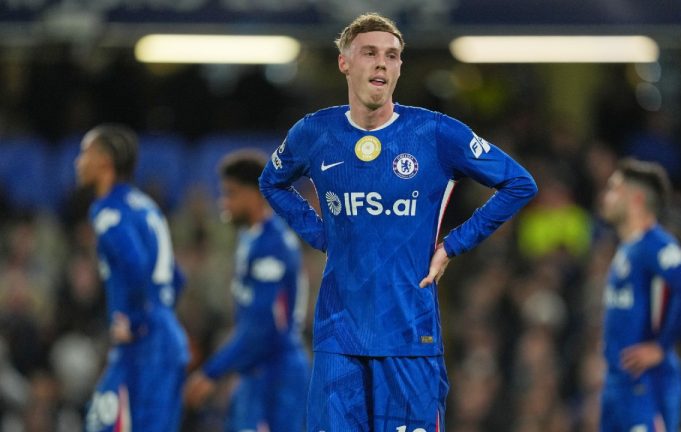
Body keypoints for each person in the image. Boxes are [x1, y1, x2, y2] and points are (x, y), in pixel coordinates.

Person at [259, 12, 538, 431]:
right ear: (344, 62)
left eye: (391, 55)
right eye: (369, 53)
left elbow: (519, 183)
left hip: (410, 337)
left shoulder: (434, 133)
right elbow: (272, 182)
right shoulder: (315, 132)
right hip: (339, 339)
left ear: (400, 67)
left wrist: (453, 245)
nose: (381, 63)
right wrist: (320, 234)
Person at [184, 150, 310, 431]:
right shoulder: (249, 239)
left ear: (255, 194)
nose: (224, 202)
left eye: (231, 193)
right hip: (256, 370)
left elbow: (262, 327)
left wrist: (212, 372)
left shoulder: (273, 245)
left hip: (278, 374)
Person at [75, 124, 189, 432]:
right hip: (163, 339)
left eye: (85, 153)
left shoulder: (106, 210)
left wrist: (137, 322)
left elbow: (135, 264)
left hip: (144, 347)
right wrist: (159, 318)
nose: (78, 161)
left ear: (104, 161)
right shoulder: (145, 206)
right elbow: (176, 278)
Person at [599, 158, 681, 432]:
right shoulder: (627, 249)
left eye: (614, 189)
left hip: (646, 384)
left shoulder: (656, 245)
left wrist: (661, 346)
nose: (605, 197)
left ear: (636, 199)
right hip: (618, 384)